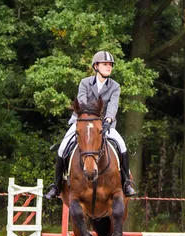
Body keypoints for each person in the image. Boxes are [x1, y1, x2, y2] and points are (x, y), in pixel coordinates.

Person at [44, 51, 137, 200]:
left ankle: (126, 183)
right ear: (96, 66)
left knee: (122, 145)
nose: (109, 67)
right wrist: (88, 119)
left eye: (110, 65)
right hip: (81, 121)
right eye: (105, 64)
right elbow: (81, 102)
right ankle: (56, 185)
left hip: (105, 124)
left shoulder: (115, 86)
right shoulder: (85, 82)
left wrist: (107, 120)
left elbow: (113, 105)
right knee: (63, 147)